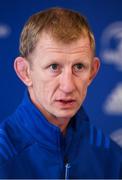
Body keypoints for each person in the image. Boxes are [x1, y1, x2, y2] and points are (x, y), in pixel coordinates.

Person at [0, 7, 122, 179]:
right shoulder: (3, 155)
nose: (68, 86)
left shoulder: (113, 159)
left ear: (93, 72)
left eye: (79, 67)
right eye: (54, 67)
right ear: (25, 72)